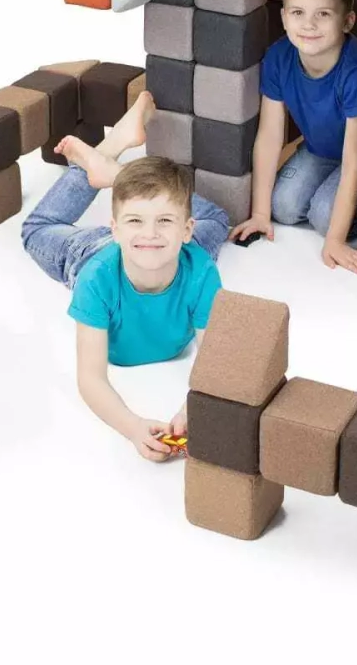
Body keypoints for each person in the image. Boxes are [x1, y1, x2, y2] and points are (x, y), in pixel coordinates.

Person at [21, 92, 229, 461]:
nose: (150, 233)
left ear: (186, 230)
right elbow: (91, 378)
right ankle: (108, 153)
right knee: (36, 229)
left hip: (173, 251)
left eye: (164, 221)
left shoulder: (201, 273)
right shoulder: (95, 280)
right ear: (115, 228)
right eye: (135, 221)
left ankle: (113, 171)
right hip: (90, 252)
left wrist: (191, 412)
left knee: (216, 221)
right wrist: (132, 427)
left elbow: (215, 363)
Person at [231, 0, 357, 275]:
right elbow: (270, 136)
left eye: (323, 14)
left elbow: (354, 158)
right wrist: (260, 214)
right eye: (298, 12)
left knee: (323, 217)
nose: (308, 24)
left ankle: (353, 211)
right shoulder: (278, 57)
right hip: (318, 150)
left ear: (347, 21)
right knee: (282, 207)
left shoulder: (355, 71)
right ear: (284, 18)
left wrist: (335, 239)